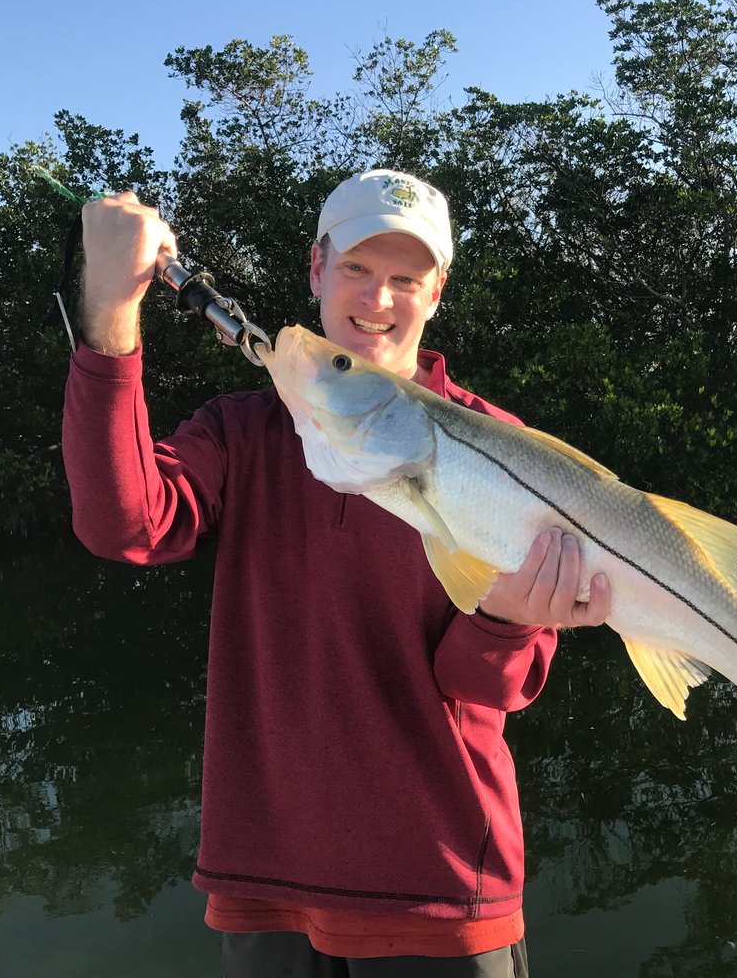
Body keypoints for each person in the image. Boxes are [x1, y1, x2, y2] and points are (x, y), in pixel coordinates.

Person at [63, 168, 611, 977]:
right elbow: (125, 526)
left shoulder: (502, 447)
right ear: (316, 269)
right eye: (356, 268)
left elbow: (485, 685)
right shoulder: (242, 430)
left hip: (441, 886)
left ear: (436, 292)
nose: (377, 298)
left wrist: (506, 619)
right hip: (266, 881)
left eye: (404, 278)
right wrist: (109, 307)